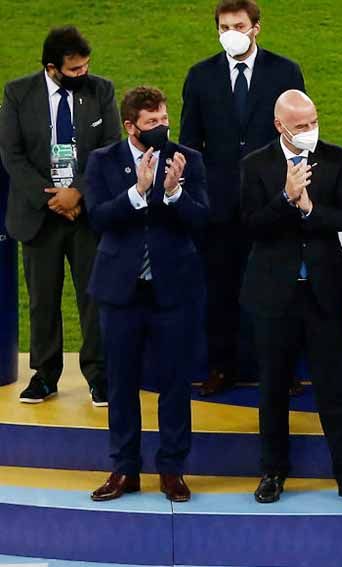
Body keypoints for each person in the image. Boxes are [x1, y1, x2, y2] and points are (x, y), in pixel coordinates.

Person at [240, 90, 342, 505]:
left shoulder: (336, 159)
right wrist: (285, 199)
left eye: (313, 121)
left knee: (336, 389)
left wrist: (307, 207)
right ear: (279, 126)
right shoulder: (256, 165)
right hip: (273, 296)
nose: (310, 131)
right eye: (301, 125)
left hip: (324, 292)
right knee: (272, 388)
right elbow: (251, 225)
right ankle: (272, 473)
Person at [84, 87, 209, 502]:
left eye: (164, 120)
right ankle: (124, 469)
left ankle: (172, 469)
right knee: (120, 384)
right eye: (152, 123)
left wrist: (174, 193)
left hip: (172, 290)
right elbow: (99, 219)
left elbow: (202, 221)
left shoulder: (186, 160)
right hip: (121, 293)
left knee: (175, 383)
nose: (161, 128)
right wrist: (137, 193)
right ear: (130, 126)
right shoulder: (103, 162)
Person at [180, 0, 307, 397]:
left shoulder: (285, 72)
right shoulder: (200, 76)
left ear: (256, 28)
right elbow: (189, 142)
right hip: (218, 206)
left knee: (277, 288)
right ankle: (222, 367)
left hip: (272, 201)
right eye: (223, 26)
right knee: (221, 288)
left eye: (238, 24)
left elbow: (298, 134)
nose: (230, 32)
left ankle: (282, 372)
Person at [0, 26, 120, 406]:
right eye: (74, 69)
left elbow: (110, 145)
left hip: (85, 214)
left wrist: (78, 192)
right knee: (43, 299)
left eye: (86, 65)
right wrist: (50, 197)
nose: (82, 73)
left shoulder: (101, 90)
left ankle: (99, 375)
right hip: (40, 215)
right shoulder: (18, 93)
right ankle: (45, 375)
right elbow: (11, 154)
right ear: (51, 68)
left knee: (93, 296)